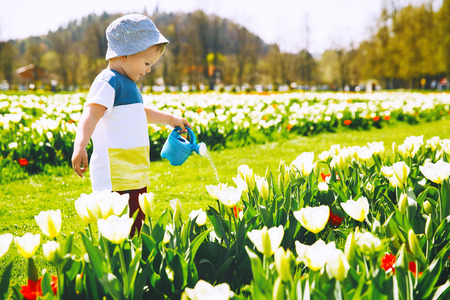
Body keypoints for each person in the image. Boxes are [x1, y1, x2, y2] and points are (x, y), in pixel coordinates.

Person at [71, 14, 191, 234]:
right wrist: (81, 145)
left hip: (134, 171)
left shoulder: (128, 83)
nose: (149, 70)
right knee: (117, 227)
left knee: (137, 225)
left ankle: (135, 264)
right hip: (115, 176)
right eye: (147, 63)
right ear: (124, 54)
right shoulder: (108, 82)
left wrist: (169, 119)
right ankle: (117, 265)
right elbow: (91, 114)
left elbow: (139, 113)